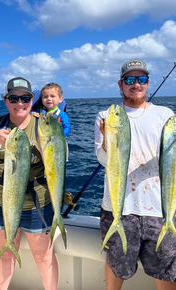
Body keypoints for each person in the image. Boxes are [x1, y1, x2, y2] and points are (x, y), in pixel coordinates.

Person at [0, 77, 59, 290]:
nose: (20, 103)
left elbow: (57, 164)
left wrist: (49, 140)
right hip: (1, 200)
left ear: (32, 99)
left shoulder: (43, 124)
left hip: (37, 204)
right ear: (6, 100)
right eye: (14, 98)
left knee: (43, 256)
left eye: (25, 98)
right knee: (6, 252)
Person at [94, 59, 176, 290]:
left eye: (141, 79)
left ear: (148, 83)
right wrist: (109, 141)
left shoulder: (166, 115)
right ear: (121, 84)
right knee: (115, 266)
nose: (136, 84)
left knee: (166, 270)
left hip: (160, 208)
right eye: (130, 80)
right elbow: (102, 159)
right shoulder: (107, 115)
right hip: (118, 208)